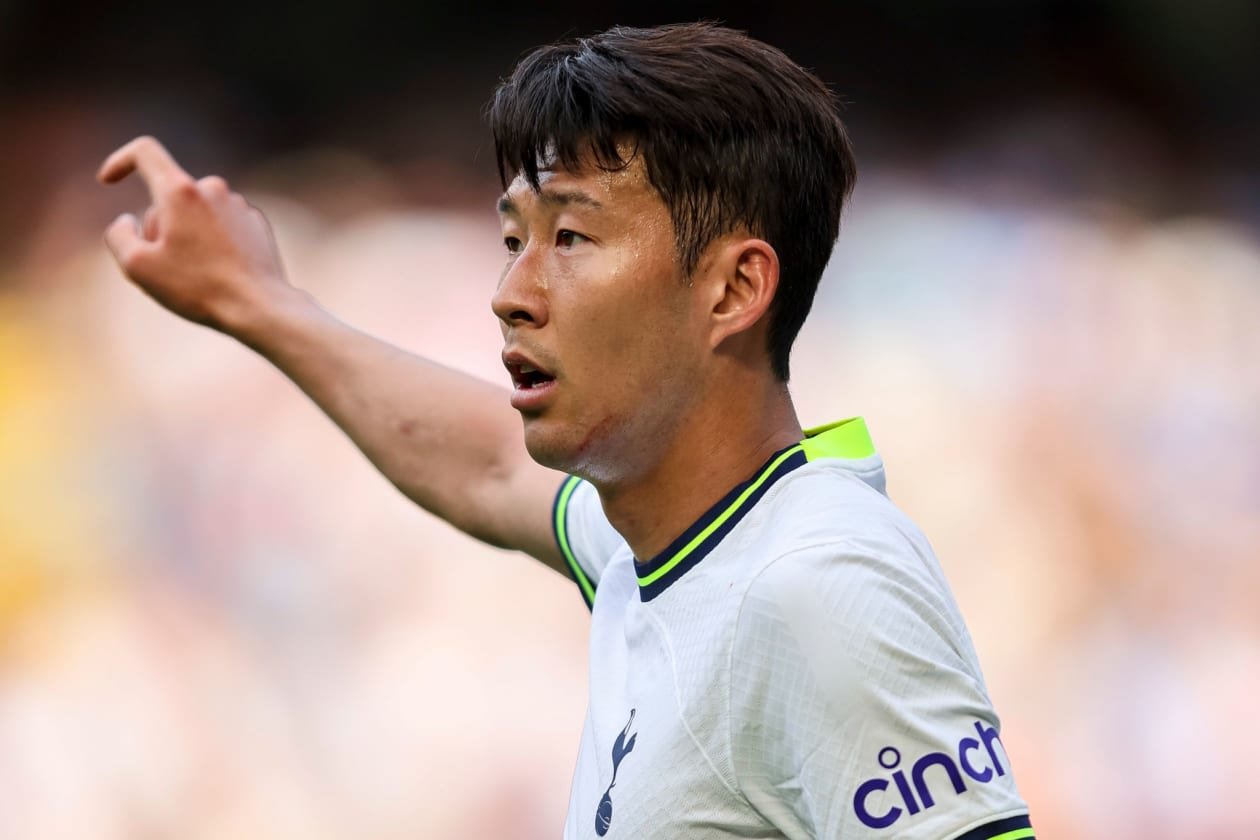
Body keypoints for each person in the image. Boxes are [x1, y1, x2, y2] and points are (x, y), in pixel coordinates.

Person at [99, 22, 1034, 840]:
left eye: (571, 239)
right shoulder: (668, 534)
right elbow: (483, 465)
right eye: (515, 240)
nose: (511, 293)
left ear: (735, 288)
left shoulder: (818, 581)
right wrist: (256, 300)